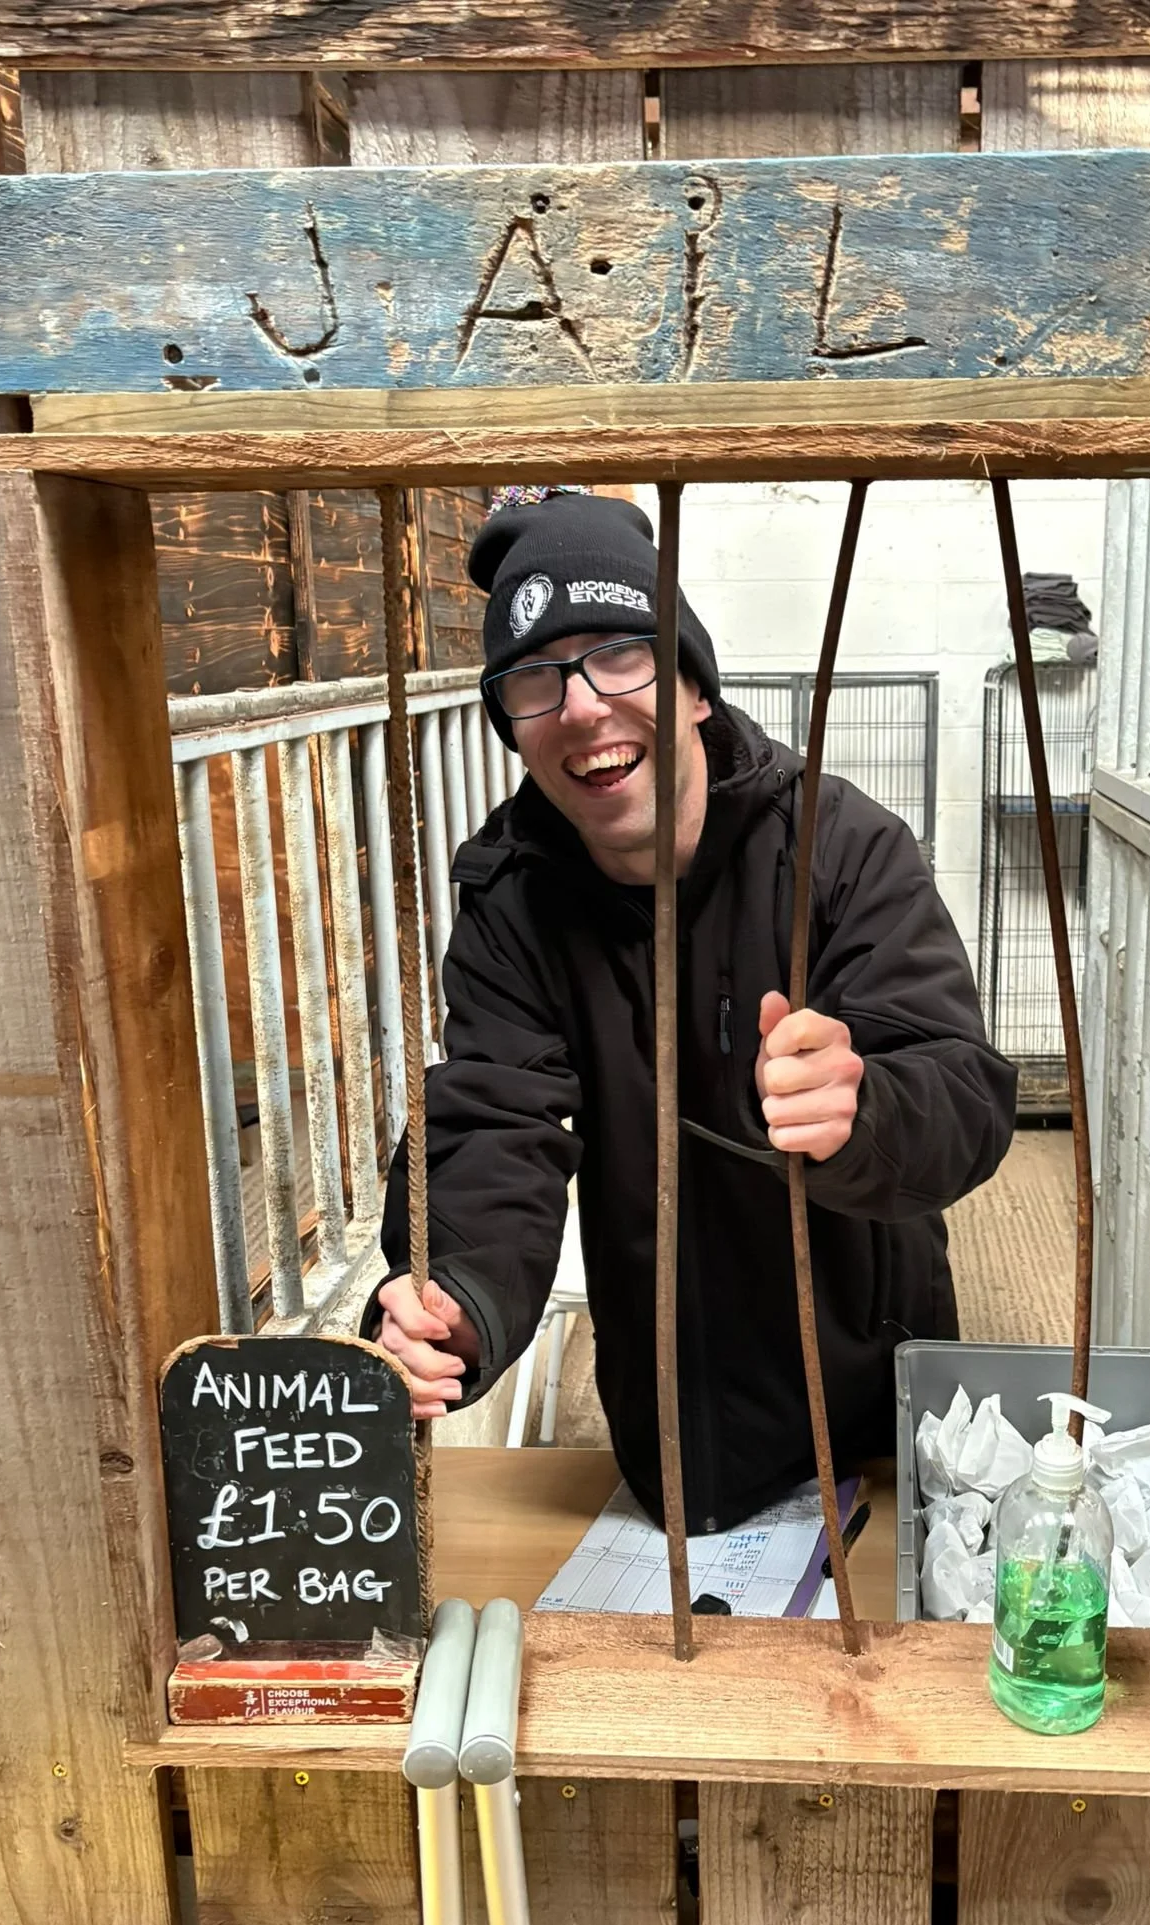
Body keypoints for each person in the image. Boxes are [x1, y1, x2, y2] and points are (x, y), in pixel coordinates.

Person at [368, 492, 1017, 1532]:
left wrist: (868, 1104)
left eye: (620, 655)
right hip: (669, 1427)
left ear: (695, 686)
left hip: (876, 1417)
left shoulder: (841, 847)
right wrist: (456, 1301)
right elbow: (497, 1125)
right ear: (513, 727)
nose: (582, 708)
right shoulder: (511, 894)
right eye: (536, 678)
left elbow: (966, 1092)